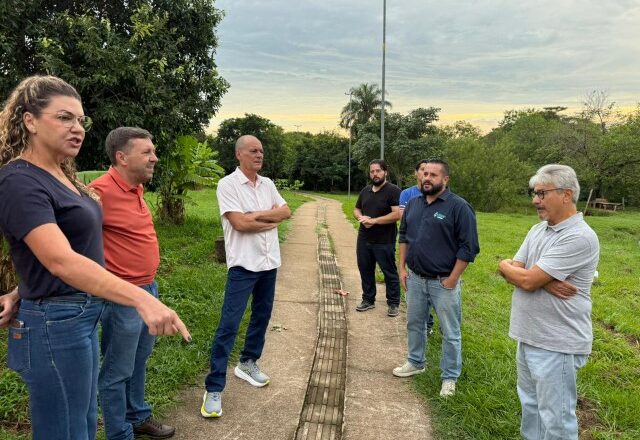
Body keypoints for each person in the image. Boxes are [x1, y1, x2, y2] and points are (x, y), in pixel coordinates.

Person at [0, 75, 190, 440]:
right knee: (66, 430)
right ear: (30, 121)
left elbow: (72, 247)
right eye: (64, 117)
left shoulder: (62, 176)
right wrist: (141, 299)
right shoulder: (19, 181)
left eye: (80, 120)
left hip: (80, 316)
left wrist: (21, 290)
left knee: (84, 423)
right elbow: (60, 261)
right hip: (54, 323)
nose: (77, 128)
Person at [498, 164, 599, 440]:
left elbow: (526, 279)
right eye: (534, 193)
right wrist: (514, 270)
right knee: (531, 409)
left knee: (557, 421)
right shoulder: (537, 230)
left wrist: (527, 275)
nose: (535, 200)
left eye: (542, 193)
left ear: (566, 195)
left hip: (557, 343)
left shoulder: (579, 237)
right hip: (530, 336)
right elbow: (513, 271)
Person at [89, 127, 174, 439]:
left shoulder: (136, 188)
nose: (155, 158)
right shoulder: (98, 194)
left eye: (153, 151)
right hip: (122, 297)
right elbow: (75, 246)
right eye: (147, 152)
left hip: (149, 290)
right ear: (122, 157)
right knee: (116, 370)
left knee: (138, 361)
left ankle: (137, 417)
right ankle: (119, 432)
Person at [201, 135, 291, 418]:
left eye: (261, 150)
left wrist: (257, 216)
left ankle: (247, 362)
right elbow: (239, 223)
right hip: (243, 266)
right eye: (253, 150)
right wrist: (269, 218)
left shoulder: (268, 184)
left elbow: (286, 211)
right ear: (239, 154)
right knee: (229, 325)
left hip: (269, 263)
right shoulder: (227, 184)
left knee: (261, 317)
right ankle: (214, 387)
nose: (259, 154)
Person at [392, 159, 479, 398]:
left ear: (445, 179)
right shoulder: (413, 204)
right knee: (414, 323)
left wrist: (452, 279)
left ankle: (449, 377)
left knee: (450, 332)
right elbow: (404, 237)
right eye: (425, 174)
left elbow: (469, 247)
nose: (427, 178)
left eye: (433, 175)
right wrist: (402, 268)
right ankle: (415, 362)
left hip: (444, 282)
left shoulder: (459, 207)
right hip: (415, 278)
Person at [353, 159, 402, 317]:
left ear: (385, 172)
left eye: (378, 171)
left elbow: (397, 214)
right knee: (365, 269)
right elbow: (356, 209)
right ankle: (368, 299)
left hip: (384, 240)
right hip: (364, 238)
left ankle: (393, 303)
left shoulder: (393, 191)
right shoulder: (365, 191)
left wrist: (374, 221)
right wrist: (361, 218)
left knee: (389, 272)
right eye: (372, 171)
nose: (375, 174)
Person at [399, 159, 435, 334]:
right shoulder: (407, 194)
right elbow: (403, 219)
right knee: (415, 290)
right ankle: (419, 322)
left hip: (431, 252)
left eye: (430, 172)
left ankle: (428, 322)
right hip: (412, 246)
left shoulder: (440, 197)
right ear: (416, 172)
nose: (425, 175)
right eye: (422, 170)